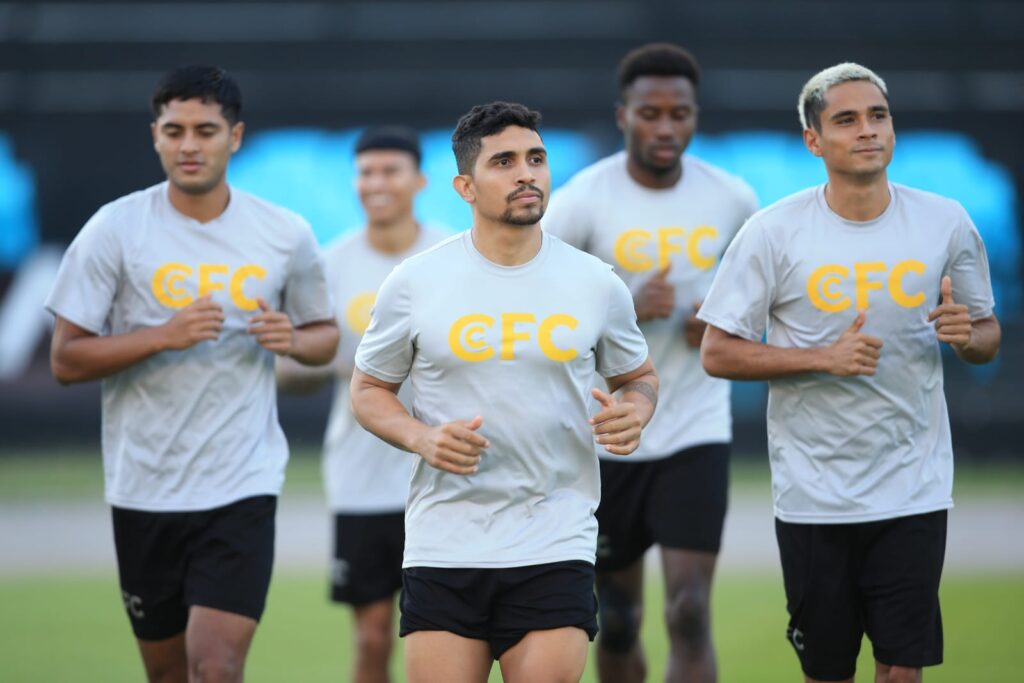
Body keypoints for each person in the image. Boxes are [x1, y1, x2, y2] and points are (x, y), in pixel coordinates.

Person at [698, 63, 1001, 683]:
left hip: (914, 485)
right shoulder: (772, 232)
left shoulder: (945, 222)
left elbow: (986, 335)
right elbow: (717, 352)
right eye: (846, 120)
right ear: (813, 140)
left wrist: (967, 336)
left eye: (877, 116)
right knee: (828, 672)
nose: (867, 130)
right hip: (814, 494)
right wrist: (821, 358)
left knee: (902, 670)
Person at [45, 65, 339, 683]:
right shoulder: (115, 228)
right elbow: (66, 359)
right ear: (155, 135)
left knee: (216, 666)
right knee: (168, 673)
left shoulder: (284, 233)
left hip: (242, 482)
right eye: (174, 130)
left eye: (205, 130)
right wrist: (163, 335)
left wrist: (292, 340)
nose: (189, 145)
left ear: (235, 136)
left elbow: (324, 336)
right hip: (144, 485)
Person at [349, 101, 659, 683]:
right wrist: (421, 438)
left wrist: (635, 410)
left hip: (555, 538)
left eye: (536, 159)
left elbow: (637, 376)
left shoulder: (595, 281)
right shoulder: (415, 281)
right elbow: (368, 388)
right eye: (504, 162)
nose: (526, 173)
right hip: (444, 542)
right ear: (465, 187)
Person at [544, 43, 757, 682]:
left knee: (689, 610)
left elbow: (764, 298)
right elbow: (537, 308)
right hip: (608, 433)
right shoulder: (583, 200)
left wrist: (725, 323)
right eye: (650, 113)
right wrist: (627, 310)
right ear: (623, 116)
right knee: (617, 616)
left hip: (695, 428)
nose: (666, 127)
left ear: (694, 117)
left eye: (679, 113)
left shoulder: (733, 200)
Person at [276, 126, 447, 683]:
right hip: (362, 477)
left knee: (444, 640)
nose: (377, 183)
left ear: (419, 180)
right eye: (366, 172)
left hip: (447, 476)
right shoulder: (328, 265)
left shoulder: (454, 257)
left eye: (390, 171)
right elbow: (288, 373)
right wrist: (335, 362)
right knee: (373, 638)